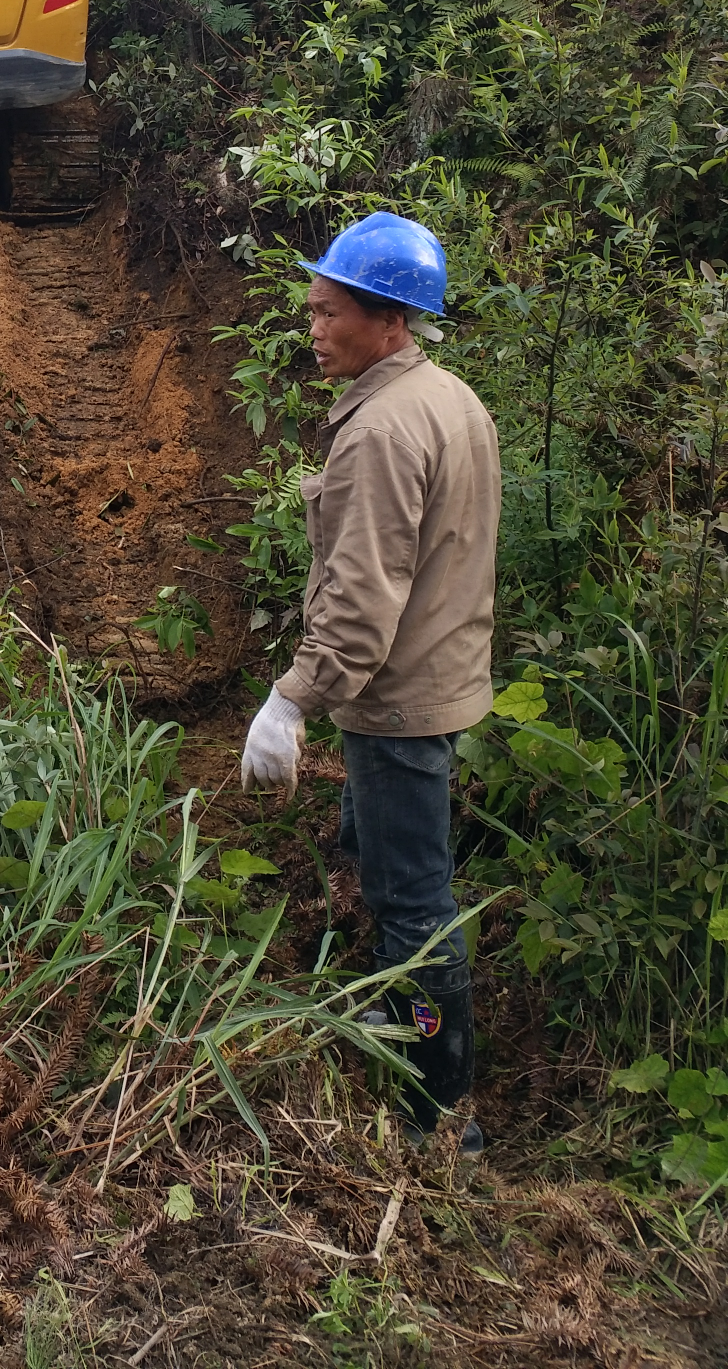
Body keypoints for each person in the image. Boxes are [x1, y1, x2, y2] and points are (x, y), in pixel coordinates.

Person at [238, 211, 500, 1150]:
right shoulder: (449, 397)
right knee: (376, 863)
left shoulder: (381, 431)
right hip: (443, 672)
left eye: (327, 311)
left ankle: (437, 1122)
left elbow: (360, 599)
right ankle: (368, 1013)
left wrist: (292, 697)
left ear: (390, 318)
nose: (312, 328)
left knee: (414, 905)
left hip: (398, 700)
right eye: (310, 310)